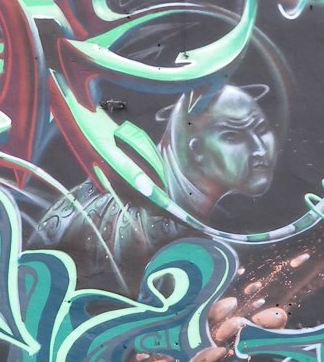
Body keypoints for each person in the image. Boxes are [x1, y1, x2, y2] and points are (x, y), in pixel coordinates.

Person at [33, 79, 281, 289]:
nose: (259, 149)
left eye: (261, 128)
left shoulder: (186, 213)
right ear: (196, 151)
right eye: (233, 136)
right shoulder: (147, 223)